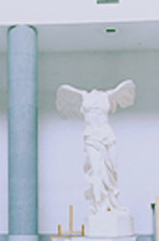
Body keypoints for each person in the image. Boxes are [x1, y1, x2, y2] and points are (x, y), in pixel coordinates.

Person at [56, 79, 136, 215]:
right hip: (92, 137)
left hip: (107, 136)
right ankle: (99, 205)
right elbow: (64, 90)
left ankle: (112, 202)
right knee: (96, 171)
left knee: (112, 168)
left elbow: (128, 86)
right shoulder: (83, 96)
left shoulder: (108, 96)